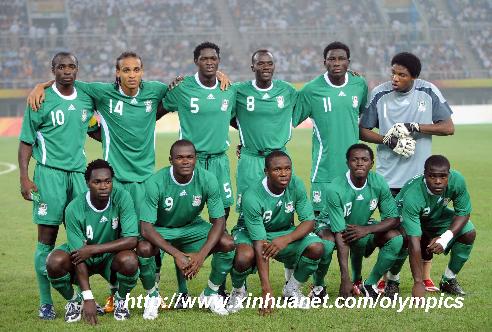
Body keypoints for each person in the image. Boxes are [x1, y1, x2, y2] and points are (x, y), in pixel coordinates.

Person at [27, 51, 230, 313]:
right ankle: (115, 294)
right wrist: (40, 85)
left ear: (142, 72)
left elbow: (186, 85)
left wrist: (219, 75)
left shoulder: (155, 91)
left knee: (150, 238)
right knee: (116, 236)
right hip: (117, 182)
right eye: (126, 70)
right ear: (117, 73)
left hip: (145, 180)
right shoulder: (102, 93)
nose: (132, 75)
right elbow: (67, 81)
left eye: (136, 70)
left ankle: (153, 290)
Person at [359, 52, 455, 293]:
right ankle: (392, 279)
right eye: (393, 72)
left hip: (420, 180)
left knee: (422, 231)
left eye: (402, 75)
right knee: (398, 234)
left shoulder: (428, 91)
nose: (395, 78)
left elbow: (448, 127)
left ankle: (423, 278)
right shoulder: (380, 93)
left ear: (414, 77)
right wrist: (388, 141)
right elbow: (362, 131)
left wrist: (415, 127)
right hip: (389, 178)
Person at [18, 52, 97, 319]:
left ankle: (80, 296)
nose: (66, 70)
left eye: (71, 66)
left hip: (78, 176)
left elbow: (95, 126)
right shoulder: (40, 99)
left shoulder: (87, 96)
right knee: (46, 240)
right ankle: (46, 302)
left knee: (83, 239)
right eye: (61, 66)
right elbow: (26, 141)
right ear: (52, 70)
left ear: (78, 69)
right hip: (49, 176)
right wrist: (24, 177)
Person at [161, 42, 237, 299]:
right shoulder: (183, 88)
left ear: (219, 61)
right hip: (189, 163)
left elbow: (239, 119)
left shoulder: (229, 89)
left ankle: (219, 287)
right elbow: (160, 104)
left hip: (218, 162)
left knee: (222, 223)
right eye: (204, 59)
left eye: (214, 58)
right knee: (180, 222)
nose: (209, 62)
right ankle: (182, 290)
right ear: (196, 61)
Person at [292, 41, 368, 293]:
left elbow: (366, 119)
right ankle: (319, 285)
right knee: (323, 236)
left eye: (341, 59)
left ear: (349, 62)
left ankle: (357, 281)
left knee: (355, 232)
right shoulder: (312, 90)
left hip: (355, 175)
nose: (336, 64)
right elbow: (287, 120)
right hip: (323, 175)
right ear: (324, 62)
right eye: (331, 59)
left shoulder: (359, 85)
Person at [229, 49, 300, 295]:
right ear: (253, 67)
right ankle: (242, 281)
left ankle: (290, 280)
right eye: (261, 64)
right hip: (250, 160)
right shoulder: (238, 91)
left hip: (279, 158)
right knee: (246, 215)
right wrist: (247, 137)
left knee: (286, 213)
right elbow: (226, 114)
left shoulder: (287, 91)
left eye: (270, 63)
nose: (266, 67)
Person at [137, 140, 235, 318]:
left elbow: (219, 222)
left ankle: (210, 294)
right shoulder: (156, 182)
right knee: (144, 248)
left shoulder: (207, 179)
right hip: (162, 228)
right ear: (170, 160)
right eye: (179, 157)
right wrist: (177, 254)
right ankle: (152, 297)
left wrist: (201, 255)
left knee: (227, 242)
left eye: (190, 157)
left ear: (196, 159)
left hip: (192, 226)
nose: (185, 161)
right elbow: (146, 229)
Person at [227, 151, 324, 314]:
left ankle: (291, 290)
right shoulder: (252, 195)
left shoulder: (296, 184)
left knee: (317, 247)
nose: (284, 173)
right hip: (250, 233)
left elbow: (309, 221)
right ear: (266, 172)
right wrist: (266, 289)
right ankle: (238, 290)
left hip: (283, 232)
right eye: (277, 169)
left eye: (288, 168)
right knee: (244, 256)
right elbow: (260, 242)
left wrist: (286, 239)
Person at [46, 159, 139, 324]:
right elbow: (78, 255)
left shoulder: (122, 198)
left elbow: (132, 240)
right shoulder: (74, 208)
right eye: (97, 182)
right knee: (54, 261)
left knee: (130, 260)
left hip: (109, 258)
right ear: (87, 183)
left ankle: (120, 300)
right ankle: (74, 301)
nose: (103, 186)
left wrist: (93, 249)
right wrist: (87, 297)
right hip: (82, 259)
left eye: (107, 181)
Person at [315, 144, 403, 300]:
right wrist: (344, 279)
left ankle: (368, 284)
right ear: (348, 163)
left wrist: (366, 230)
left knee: (396, 238)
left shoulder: (378, 182)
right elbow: (341, 234)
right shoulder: (335, 188)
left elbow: (393, 218)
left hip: (361, 225)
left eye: (364, 159)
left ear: (372, 163)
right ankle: (319, 286)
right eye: (355, 159)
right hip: (331, 226)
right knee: (327, 244)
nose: (360, 163)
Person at [391, 155, 475, 297]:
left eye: (443, 177)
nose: (438, 181)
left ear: (449, 175)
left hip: (434, 216)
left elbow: (463, 213)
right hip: (403, 218)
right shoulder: (413, 194)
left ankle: (448, 280)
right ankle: (392, 281)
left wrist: (444, 238)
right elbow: (414, 240)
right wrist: (418, 283)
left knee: (468, 232)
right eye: (432, 177)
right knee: (403, 239)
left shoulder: (457, 181)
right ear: (425, 175)